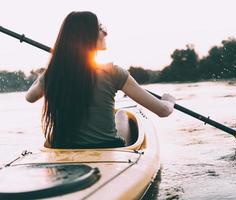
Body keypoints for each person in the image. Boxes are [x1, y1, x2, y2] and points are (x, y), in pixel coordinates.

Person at [25, 11, 175, 149]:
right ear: (87, 36)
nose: (106, 32)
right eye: (100, 28)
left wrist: (52, 67)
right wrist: (169, 101)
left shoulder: (52, 76)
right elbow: (162, 111)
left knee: (121, 114)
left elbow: (30, 97)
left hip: (63, 148)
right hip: (107, 147)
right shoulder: (113, 72)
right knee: (122, 114)